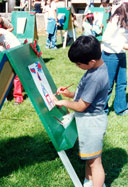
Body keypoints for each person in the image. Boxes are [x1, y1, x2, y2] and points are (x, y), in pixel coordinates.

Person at [51, 35, 109, 187]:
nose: (77, 66)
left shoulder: (96, 77)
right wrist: (69, 94)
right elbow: (85, 96)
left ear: (91, 62)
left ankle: (96, 183)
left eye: (78, 64)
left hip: (92, 123)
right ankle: (89, 182)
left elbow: (82, 105)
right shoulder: (95, 68)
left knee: (95, 162)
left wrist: (63, 102)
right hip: (89, 121)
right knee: (90, 159)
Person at [101, 3, 128, 115]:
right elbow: (106, 38)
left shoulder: (126, 19)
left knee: (122, 83)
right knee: (108, 85)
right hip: (110, 55)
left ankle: (121, 108)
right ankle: (101, 110)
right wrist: (122, 45)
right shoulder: (116, 19)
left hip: (121, 54)